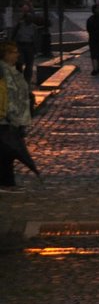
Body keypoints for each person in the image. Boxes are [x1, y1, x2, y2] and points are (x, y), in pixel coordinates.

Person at [0, 41, 39, 192]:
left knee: (8, 152)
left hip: (13, 118)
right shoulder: (2, 71)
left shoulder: (11, 69)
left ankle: (8, 182)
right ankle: (5, 182)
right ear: (6, 54)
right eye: (14, 52)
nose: (17, 54)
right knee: (6, 151)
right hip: (5, 117)